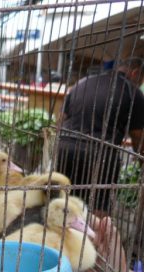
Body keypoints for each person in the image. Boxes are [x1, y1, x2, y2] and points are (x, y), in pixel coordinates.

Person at [56, 57, 144, 215]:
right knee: (98, 209)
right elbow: (138, 137)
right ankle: (94, 228)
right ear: (135, 72)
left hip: (65, 148)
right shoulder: (133, 92)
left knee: (63, 203)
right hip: (100, 156)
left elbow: (61, 119)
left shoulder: (83, 82)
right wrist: (141, 161)